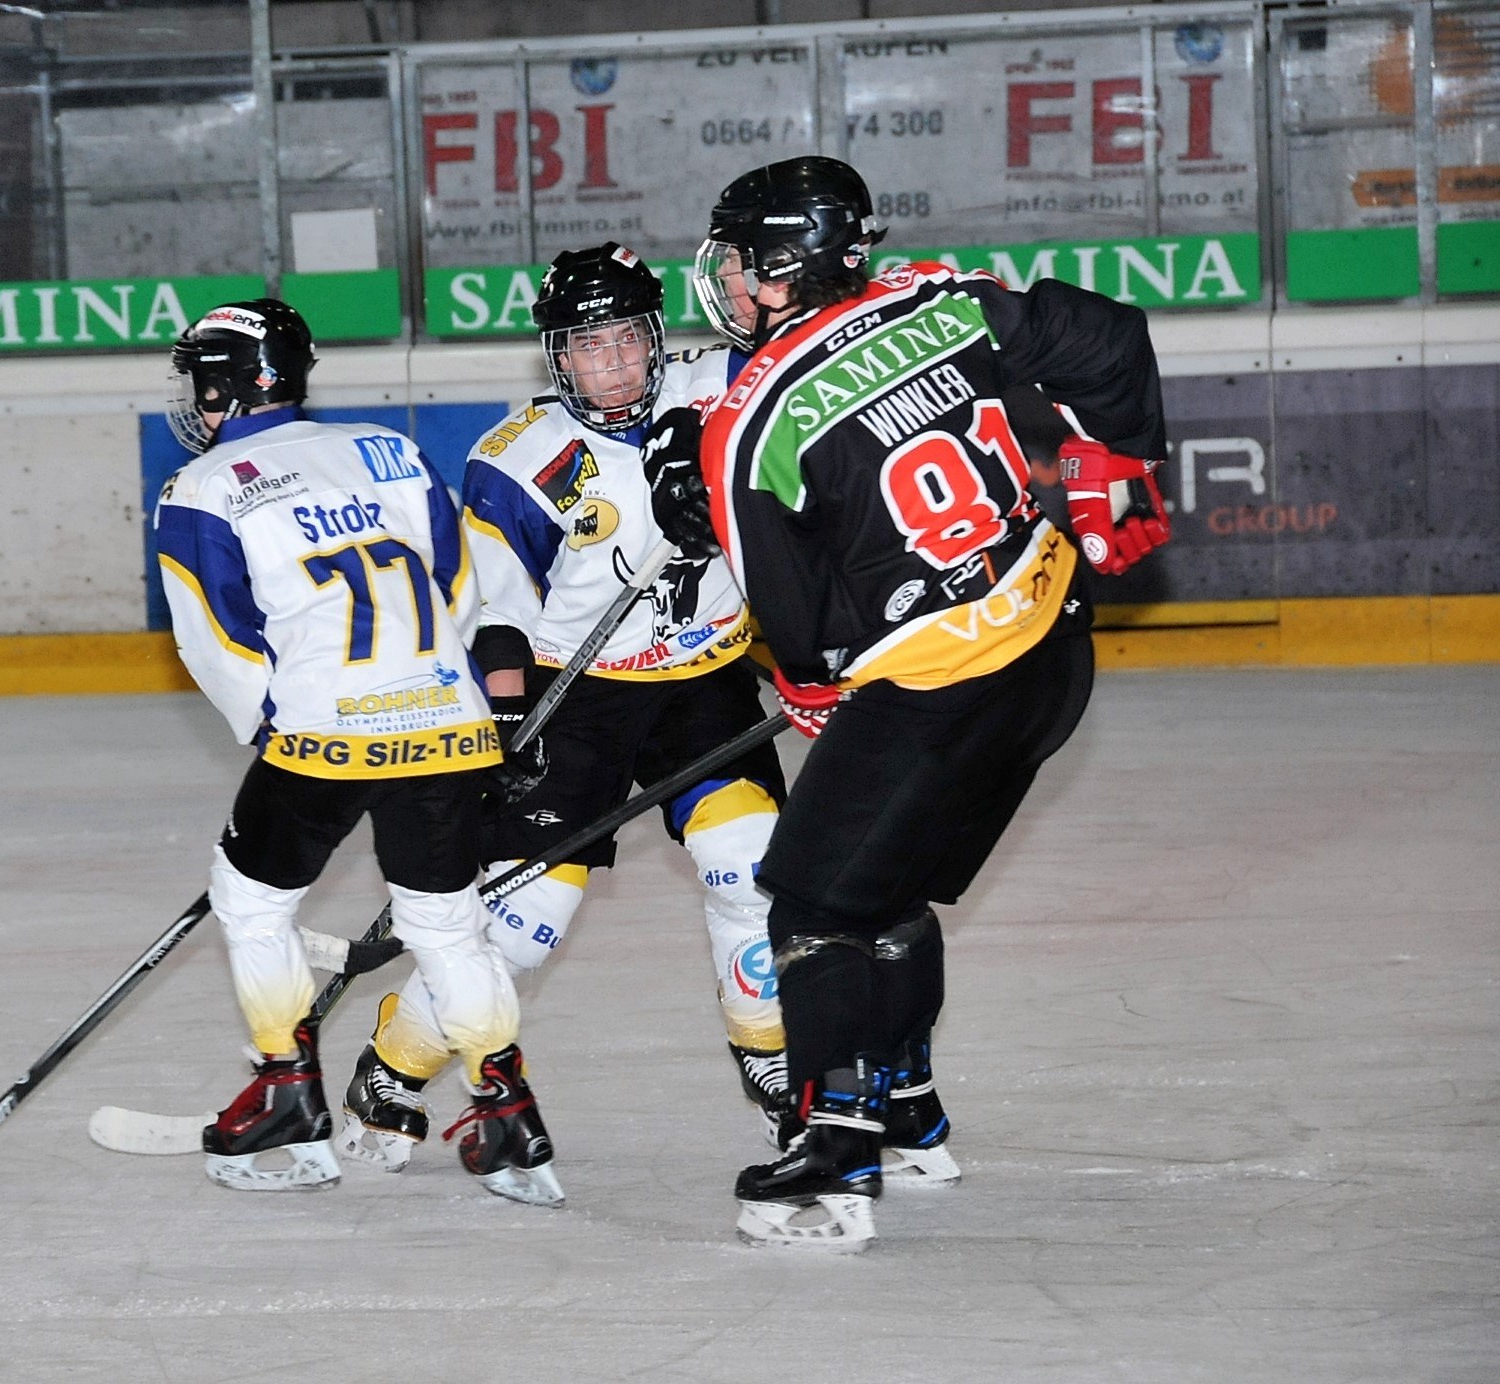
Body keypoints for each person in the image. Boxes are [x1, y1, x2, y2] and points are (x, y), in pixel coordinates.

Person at [642, 157, 1172, 1249]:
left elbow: (795, 631)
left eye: (739, 259)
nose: (729, 279)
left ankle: (837, 1149)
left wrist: (816, 696)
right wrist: (1120, 463)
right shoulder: (943, 296)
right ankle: (911, 1116)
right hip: (1052, 653)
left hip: (938, 694)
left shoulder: (746, 424)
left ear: (781, 264)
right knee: (885, 890)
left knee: (810, 903)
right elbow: (1114, 337)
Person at [329, 243, 795, 1175]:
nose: (613, 364)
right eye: (589, 346)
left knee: (749, 871)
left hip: (705, 683)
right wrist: (502, 727)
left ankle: (775, 1062)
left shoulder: (722, 388)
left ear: (656, 336)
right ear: (559, 356)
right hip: (574, 695)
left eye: (627, 339)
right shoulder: (517, 459)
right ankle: (392, 1066)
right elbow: (495, 615)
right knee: (521, 924)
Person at [154, 298, 562, 1207]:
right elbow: (460, 587)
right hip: (445, 719)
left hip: (323, 732)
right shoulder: (390, 448)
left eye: (201, 379)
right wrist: (448, 697)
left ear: (227, 384)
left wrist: (276, 726)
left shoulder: (200, 488)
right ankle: (507, 1113)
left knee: (251, 900)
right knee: (446, 924)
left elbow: (217, 639)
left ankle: (284, 1091)